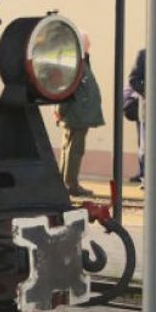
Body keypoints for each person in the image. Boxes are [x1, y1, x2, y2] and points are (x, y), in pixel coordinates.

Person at [56, 35, 104, 197]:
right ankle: (70, 184)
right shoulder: (75, 63)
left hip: (78, 114)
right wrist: (60, 111)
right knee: (74, 150)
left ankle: (65, 183)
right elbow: (65, 88)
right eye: (87, 43)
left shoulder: (80, 62)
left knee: (70, 148)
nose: (89, 46)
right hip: (76, 115)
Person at [127, 48, 146, 184]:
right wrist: (148, 91)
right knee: (145, 147)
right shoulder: (143, 55)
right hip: (147, 111)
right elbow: (133, 79)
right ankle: (145, 178)